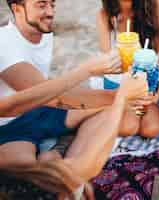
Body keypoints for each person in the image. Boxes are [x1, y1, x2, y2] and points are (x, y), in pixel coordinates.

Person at [0, 0, 151, 199]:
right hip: (10, 127)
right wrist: (118, 95)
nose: (50, 12)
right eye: (41, 5)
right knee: (39, 183)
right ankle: (59, 154)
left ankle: (60, 148)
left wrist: (128, 98)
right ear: (17, 8)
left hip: (41, 109)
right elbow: (55, 97)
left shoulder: (41, 32)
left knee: (129, 120)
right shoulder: (4, 43)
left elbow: (52, 91)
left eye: (52, 4)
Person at [94, 0, 159, 138]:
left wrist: (156, 90)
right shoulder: (105, 15)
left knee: (151, 129)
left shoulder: (150, 6)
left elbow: (158, 54)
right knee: (129, 126)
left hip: (144, 86)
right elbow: (108, 65)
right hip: (116, 88)